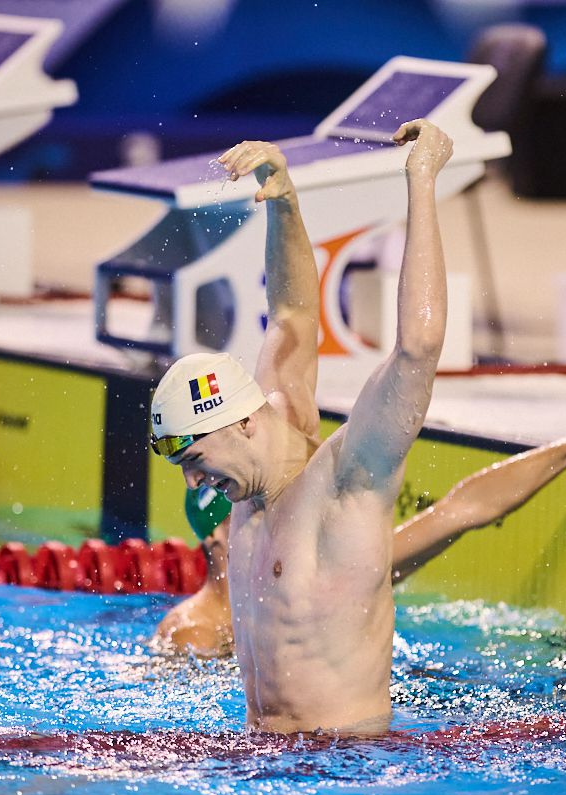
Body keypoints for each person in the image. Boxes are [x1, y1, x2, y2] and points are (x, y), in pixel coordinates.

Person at [148, 118, 458, 735]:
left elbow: (418, 346)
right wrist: (283, 198)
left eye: (194, 461)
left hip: (347, 765)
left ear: (239, 425)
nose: (193, 485)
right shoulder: (257, 456)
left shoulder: (346, 481)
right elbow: (290, 313)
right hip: (261, 757)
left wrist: (421, 182)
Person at [153, 407, 566, 658]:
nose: (270, 521)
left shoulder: (325, 575)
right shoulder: (191, 633)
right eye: (250, 516)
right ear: (215, 539)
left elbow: (463, 509)